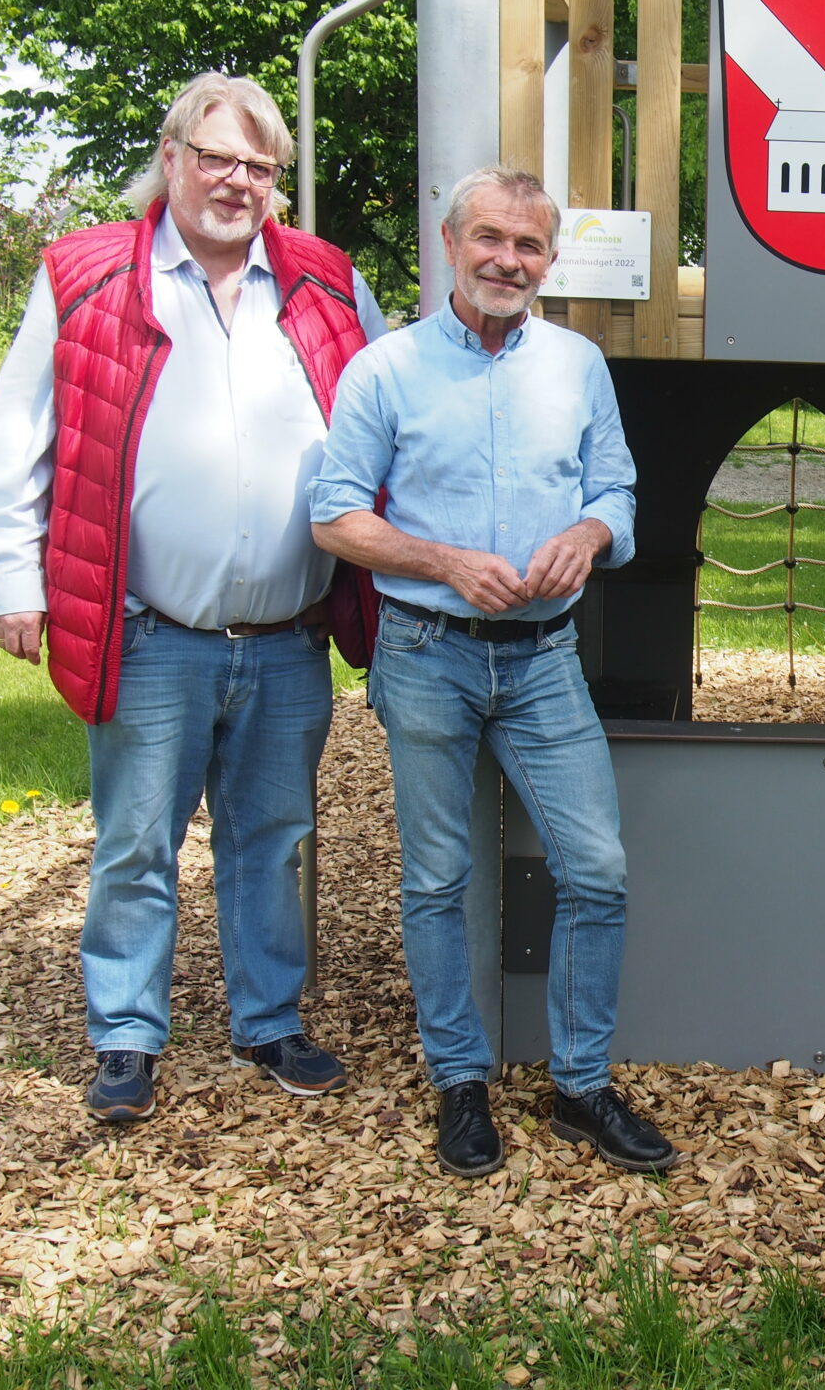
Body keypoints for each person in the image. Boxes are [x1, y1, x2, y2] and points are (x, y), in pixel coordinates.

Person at [0, 73, 388, 1122]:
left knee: (272, 835)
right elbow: (17, 437)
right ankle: (126, 1035)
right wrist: (13, 577)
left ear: (277, 183)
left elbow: (386, 423)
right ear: (172, 156)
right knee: (137, 840)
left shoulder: (328, 284)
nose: (236, 181)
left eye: (259, 166)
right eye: (217, 157)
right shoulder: (91, 275)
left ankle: (270, 1021)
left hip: (288, 638)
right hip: (153, 631)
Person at [309, 166, 675, 1179]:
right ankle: (458, 1081)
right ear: (449, 242)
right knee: (437, 878)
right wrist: (444, 561)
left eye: (529, 246)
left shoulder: (578, 364)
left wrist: (593, 532)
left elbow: (619, 487)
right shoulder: (385, 371)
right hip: (425, 654)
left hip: (546, 659)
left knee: (595, 868)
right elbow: (333, 513)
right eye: (491, 240)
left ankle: (581, 1087)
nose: (509, 261)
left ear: (550, 259)